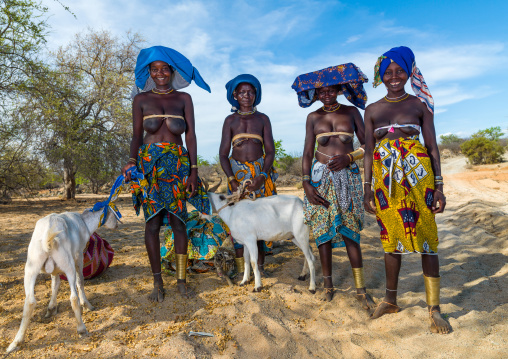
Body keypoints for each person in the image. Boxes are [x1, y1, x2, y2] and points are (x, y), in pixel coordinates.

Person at [363, 46, 450, 334]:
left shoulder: (418, 105)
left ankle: (434, 308)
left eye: (400, 71)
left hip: (419, 179)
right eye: (388, 72)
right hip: (386, 183)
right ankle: (390, 300)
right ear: (381, 76)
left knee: (427, 237)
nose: (394, 76)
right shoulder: (372, 110)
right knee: (391, 239)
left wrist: (438, 186)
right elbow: (367, 152)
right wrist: (367, 189)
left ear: (409, 72)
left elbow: (433, 147)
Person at [122, 46, 211, 302]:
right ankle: (157, 282)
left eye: (164, 69)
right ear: (149, 72)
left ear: (172, 71)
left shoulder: (184, 99)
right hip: (150, 167)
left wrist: (194, 171)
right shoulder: (141, 100)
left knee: (179, 222)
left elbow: (190, 135)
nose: (160, 73)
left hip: (178, 165)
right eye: (154, 69)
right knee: (151, 224)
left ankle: (181, 282)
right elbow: (137, 136)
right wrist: (131, 162)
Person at [292, 63, 376, 308]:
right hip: (319, 179)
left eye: (331, 90)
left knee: (351, 231)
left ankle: (360, 289)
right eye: (321, 91)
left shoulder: (351, 113)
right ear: (315, 94)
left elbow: (367, 145)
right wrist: (306, 183)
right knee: (323, 234)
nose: (326, 95)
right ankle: (328, 286)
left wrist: (349, 157)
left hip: (348, 178)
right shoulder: (313, 117)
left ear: (339, 89)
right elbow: (308, 153)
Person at [218, 74, 277, 278]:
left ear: (256, 95)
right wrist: (232, 179)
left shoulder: (262, 119)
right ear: (235, 94)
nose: (246, 95)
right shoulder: (230, 121)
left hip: (259, 176)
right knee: (238, 223)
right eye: (242, 92)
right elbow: (223, 154)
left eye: (251, 92)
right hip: (237, 176)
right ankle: (241, 268)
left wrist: (262, 175)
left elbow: (270, 151)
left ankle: (259, 267)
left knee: (260, 222)